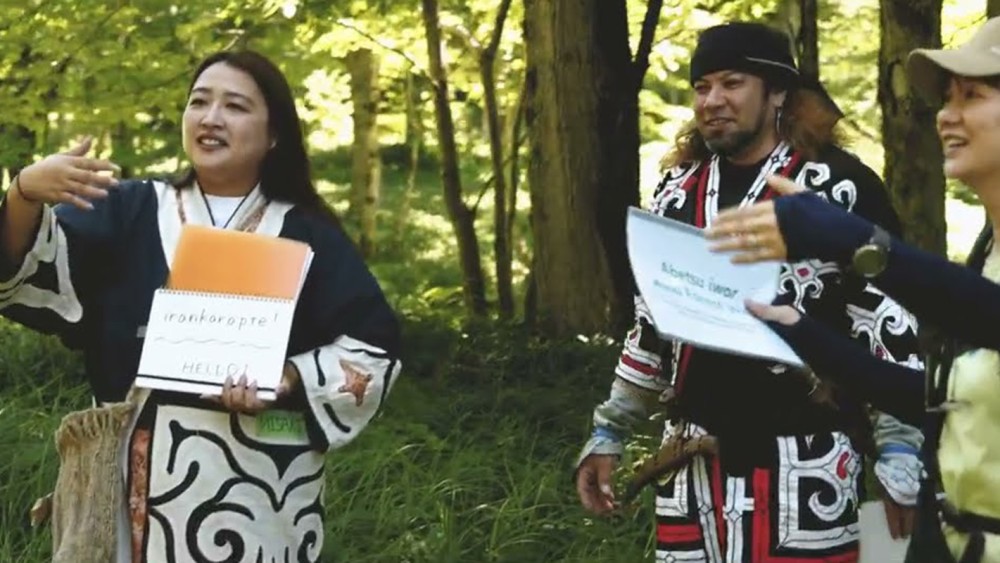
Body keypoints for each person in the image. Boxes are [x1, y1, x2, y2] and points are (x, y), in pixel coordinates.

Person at [1, 50, 401, 562]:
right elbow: (28, 268)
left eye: (235, 106)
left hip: (258, 492)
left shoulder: (307, 232)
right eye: (199, 102)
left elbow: (374, 347)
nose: (211, 118)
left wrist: (289, 379)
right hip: (128, 485)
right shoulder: (128, 208)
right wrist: (22, 195)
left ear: (274, 134)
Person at [574, 22, 925, 562]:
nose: (712, 100)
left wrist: (899, 445)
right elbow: (651, 325)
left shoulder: (838, 187)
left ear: (778, 91)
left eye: (732, 83)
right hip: (690, 471)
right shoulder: (675, 193)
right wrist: (610, 430)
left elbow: (888, 316)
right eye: (702, 87)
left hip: (807, 464)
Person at [704, 16, 1000, 563]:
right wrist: (797, 331)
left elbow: (990, 317)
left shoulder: (845, 186)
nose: (946, 115)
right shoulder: (986, 251)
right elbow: (940, 404)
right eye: (947, 97)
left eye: (973, 95)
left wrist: (851, 241)